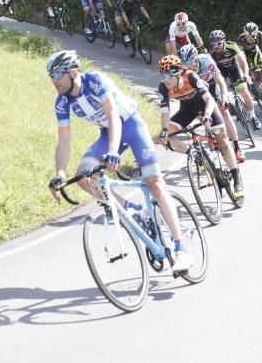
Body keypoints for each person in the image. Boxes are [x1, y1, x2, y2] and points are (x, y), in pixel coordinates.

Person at [46, 50, 191, 274]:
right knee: (83, 177)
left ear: (73, 71)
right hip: (108, 133)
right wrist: (61, 173)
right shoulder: (62, 102)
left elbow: (113, 115)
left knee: (154, 182)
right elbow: (64, 140)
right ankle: (133, 210)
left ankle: (181, 248)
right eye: (50, 76)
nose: (54, 80)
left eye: (57, 74)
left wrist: (113, 151)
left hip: (131, 125)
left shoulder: (94, 81)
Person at [157, 54, 243, 199]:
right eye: (162, 75)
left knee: (222, 141)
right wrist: (165, 130)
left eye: (167, 75)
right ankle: (196, 155)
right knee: (165, 139)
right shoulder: (163, 87)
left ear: (178, 73)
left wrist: (207, 115)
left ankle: (237, 180)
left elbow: (209, 99)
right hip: (187, 111)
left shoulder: (190, 77)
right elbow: (165, 113)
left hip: (207, 107)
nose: (164, 80)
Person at [179, 43, 245, 163]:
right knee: (205, 119)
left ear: (196, 58)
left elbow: (220, 82)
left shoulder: (206, 60)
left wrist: (224, 98)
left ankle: (237, 148)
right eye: (186, 65)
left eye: (191, 64)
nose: (189, 68)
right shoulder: (183, 70)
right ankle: (213, 150)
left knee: (224, 113)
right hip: (198, 93)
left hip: (213, 87)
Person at [208, 29, 262, 131]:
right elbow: (210, 70)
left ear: (223, 41)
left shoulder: (231, 46)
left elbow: (243, 62)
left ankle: (253, 117)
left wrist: (245, 74)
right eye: (213, 44)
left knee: (245, 92)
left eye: (219, 43)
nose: (216, 46)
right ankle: (230, 103)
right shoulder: (210, 52)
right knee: (219, 91)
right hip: (220, 71)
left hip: (234, 69)